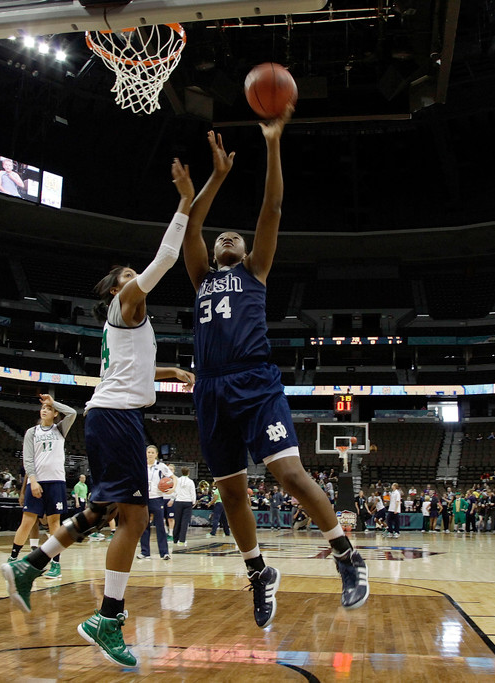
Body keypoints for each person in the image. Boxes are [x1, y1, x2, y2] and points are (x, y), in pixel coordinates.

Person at [1, 157, 197, 668]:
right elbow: (167, 257)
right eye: (128, 278)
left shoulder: (130, 326)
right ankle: (106, 618)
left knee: (107, 511)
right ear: (117, 291)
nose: (137, 281)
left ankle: (33, 566)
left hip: (114, 415)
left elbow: (132, 373)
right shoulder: (127, 303)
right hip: (116, 418)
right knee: (132, 516)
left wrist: (170, 373)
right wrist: (183, 202)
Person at [181, 116, 368, 628]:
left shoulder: (255, 271)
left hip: (255, 381)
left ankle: (347, 556)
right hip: (211, 390)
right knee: (231, 492)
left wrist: (272, 142)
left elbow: (272, 208)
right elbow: (192, 228)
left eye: (235, 238)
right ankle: (259, 572)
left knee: (288, 474)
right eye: (225, 237)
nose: (228, 237)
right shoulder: (200, 280)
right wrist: (215, 178)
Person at [8, 394, 76, 580]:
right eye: (43, 407)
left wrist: (53, 401)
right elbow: (28, 459)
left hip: (56, 481)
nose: (44, 410)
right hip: (36, 481)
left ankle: (55, 565)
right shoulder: (32, 432)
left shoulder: (60, 429)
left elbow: (71, 413)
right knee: (27, 522)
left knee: (55, 523)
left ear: (55, 413)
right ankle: (13, 559)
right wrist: (33, 480)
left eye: (48, 408)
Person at [137, 445, 173, 560]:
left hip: (157, 498)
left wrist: (172, 488)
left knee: (160, 526)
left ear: (156, 454)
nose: (150, 454)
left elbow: (173, 478)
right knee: (144, 526)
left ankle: (164, 552)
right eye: (148, 452)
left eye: (152, 452)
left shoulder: (161, 466)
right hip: (144, 499)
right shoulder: (141, 465)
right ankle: (145, 552)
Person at [171, 466, 196, 546]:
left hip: (178, 502)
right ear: (188, 473)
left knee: (177, 521)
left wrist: (172, 499)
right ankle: (182, 540)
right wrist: (194, 501)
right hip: (187, 502)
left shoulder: (177, 480)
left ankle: (175, 539)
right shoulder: (190, 481)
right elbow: (193, 492)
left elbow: (174, 491)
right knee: (184, 522)